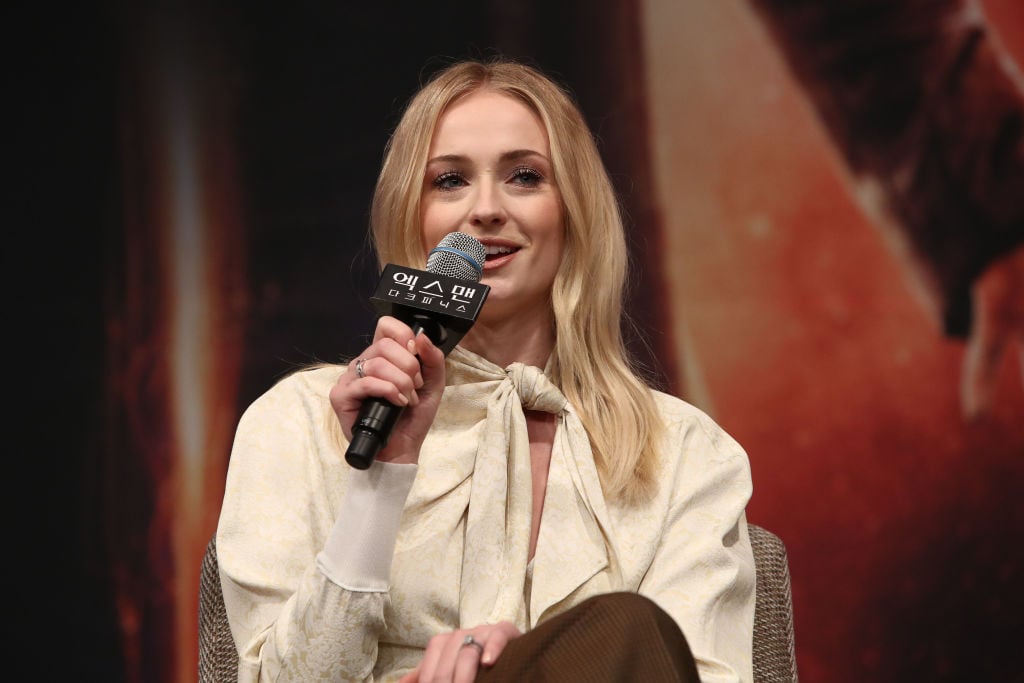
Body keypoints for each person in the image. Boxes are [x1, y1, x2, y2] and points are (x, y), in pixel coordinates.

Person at [216, 57, 756, 682]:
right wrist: (381, 481)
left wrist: (534, 661)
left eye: (525, 177)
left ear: (575, 211)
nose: (486, 209)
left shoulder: (686, 452)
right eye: (449, 181)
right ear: (410, 213)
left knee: (627, 627)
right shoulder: (295, 422)